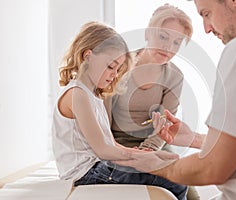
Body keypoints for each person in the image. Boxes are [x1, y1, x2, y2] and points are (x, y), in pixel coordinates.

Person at [113, 0, 236, 199]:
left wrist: (157, 164)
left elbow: (213, 168)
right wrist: (194, 139)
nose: (207, 28)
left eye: (207, 13)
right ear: (148, 33)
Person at [51, 21, 188, 200]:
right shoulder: (77, 95)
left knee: (176, 171)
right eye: (110, 66)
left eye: (118, 69)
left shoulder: (93, 95)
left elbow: (110, 144)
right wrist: (146, 160)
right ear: (88, 56)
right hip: (86, 173)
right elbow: (102, 150)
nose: (114, 74)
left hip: (98, 167)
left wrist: (151, 155)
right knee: (175, 181)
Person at [104, 4, 200, 200]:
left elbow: (165, 125)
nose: (168, 47)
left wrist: (148, 151)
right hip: (117, 142)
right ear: (148, 33)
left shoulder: (174, 76)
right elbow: (102, 119)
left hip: (155, 144)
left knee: (192, 196)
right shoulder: (119, 65)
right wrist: (120, 151)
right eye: (163, 37)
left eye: (177, 42)